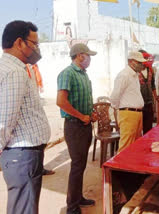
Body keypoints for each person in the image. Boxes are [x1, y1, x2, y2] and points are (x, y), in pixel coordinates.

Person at [0, 20, 51, 214]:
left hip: (22, 154)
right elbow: (5, 118)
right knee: (24, 208)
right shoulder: (14, 72)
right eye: (34, 43)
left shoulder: (9, 68)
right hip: (22, 155)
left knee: (23, 207)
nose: (36, 49)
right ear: (19, 43)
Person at [56, 43, 98, 214]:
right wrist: (81, 116)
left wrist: (91, 113)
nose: (90, 59)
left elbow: (86, 99)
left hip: (85, 125)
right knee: (77, 166)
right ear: (80, 55)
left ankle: (78, 197)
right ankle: (71, 206)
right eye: (88, 56)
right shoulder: (67, 74)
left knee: (80, 165)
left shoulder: (83, 75)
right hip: (75, 126)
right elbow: (61, 102)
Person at [110, 51, 146, 153]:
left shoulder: (134, 75)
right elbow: (114, 96)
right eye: (139, 62)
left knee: (135, 146)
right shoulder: (124, 75)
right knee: (125, 146)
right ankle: (119, 169)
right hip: (128, 114)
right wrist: (120, 111)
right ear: (131, 62)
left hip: (136, 114)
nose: (141, 65)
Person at [25, 64, 55, 176]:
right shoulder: (23, 68)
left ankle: (39, 168)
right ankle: (33, 170)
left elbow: (36, 84)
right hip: (27, 114)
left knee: (40, 143)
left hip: (35, 108)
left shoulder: (33, 68)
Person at [138, 50, 157, 134]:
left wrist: (155, 98)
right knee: (138, 129)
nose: (145, 59)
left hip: (149, 103)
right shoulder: (135, 71)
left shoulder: (150, 70)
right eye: (143, 58)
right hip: (138, 104)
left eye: (146, 58)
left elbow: (153, 85)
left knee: (149, 129)